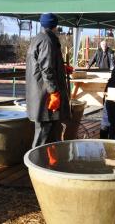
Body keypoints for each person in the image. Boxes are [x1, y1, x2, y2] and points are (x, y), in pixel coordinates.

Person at [25, 13, 71, 148]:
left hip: (40, 93)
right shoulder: (47, 40)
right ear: (55, 26)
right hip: (45, 95)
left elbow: (43, 65)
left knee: (51, 135)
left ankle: (50, 165)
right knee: (43, 136)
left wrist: (62, 68)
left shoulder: (37, 39)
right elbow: (47, 69)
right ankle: (36, 166)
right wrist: (54, 92)